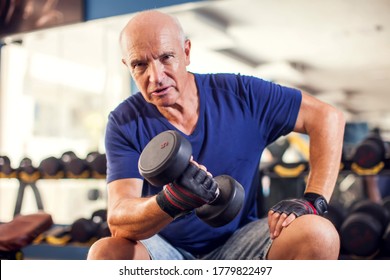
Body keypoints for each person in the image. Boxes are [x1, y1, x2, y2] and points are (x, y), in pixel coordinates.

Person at [87, 10, 345, 260]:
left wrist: (314, 201)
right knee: (105, 254)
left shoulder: (242, 96)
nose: (156, 77)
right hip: (165, 248)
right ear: (127, 66)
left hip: (239, 242)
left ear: (186, 52)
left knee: (320, 235)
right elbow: (119, 220)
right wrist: (172, 200)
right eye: (140, 64)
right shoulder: (125, 120)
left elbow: (327, 117)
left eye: (166, 57)